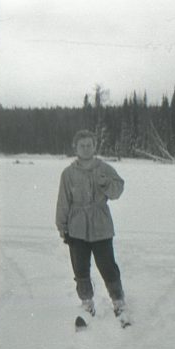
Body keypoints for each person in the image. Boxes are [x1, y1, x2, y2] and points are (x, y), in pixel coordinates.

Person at [56, 129, 128, 320]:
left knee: (107, 265)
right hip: (76, 226)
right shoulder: (68, 173)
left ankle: (118, 301)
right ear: (76, 148)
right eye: (82, 145)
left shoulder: (104, 168)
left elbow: (117, 191)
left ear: (94, 146)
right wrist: (62, 226)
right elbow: (63, 201)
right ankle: (86, 302)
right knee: (80, 267)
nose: (86, 149)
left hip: (101, 225)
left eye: (89, 145)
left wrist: (105, 184)